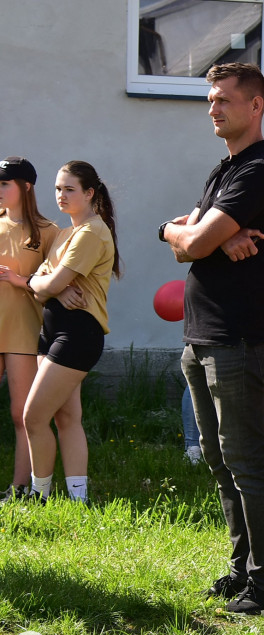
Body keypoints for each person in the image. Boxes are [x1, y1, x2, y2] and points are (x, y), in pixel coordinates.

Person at [161, 62, 264, 615]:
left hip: (239, 339)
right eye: (210, 99)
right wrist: (204, 233)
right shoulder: (226, 168)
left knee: (245, 461)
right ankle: (241, 571)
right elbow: (179, 234)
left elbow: (191, 243)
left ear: (255, 105)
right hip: (203, 337)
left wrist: (202, 236)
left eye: (223, 100)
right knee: (218, 458)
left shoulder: (261, 169)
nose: (212, 108)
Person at [17, 161, 121, 504]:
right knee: (66, 417)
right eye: (58, 188)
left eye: (70, 189)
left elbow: (50, 281)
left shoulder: (92, 232)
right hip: (52, 330)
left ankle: (38, 495)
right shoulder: (65, 233)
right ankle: (79, 499)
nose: (61, 195)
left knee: (33, 416)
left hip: (77, 333)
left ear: (90, 193)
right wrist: (51, 287)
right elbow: (44, 286)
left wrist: (49, 285)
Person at [0, 157, 59, 503]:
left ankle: (20, 489)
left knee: (21, 414)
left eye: (4, 183)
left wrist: (22, 281)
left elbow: (55, 283)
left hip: (24, 331)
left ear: (25, 187)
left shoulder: (48, 231)